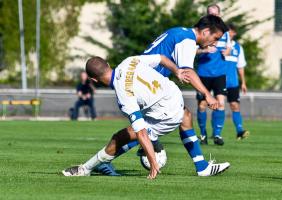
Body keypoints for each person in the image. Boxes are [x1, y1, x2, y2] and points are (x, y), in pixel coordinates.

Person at [92, 14, 229, 175]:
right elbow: (188, 72)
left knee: (183, 116)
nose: (215, 42)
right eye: (216, 37)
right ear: (206, 31)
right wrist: (208, 94)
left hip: (145, 84)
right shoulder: (187, 40)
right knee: (140, 131)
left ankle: (201, 167)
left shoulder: (179, 32)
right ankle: (103, 161)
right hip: (146, 87)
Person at [62, 55, 230, 179]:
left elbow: (141, 132)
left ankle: (86, 168)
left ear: (93, 79)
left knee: (122, 137)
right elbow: (162, 58)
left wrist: (153, 163)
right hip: (174, 95)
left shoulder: (123, 94)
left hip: (167, 114)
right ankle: (201, 167)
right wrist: (176, 71)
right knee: (185, 116)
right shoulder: (129, 61)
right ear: (107, 63)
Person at [196, 4, 231, 146]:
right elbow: (193, 51)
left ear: (220, 15)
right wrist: (204, 51)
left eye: (215, 14)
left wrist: (227, 52)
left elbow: (228, 48)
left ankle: (217, 134)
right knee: (202, 105)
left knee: (221, 103)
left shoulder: (225, 33)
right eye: (210, 14)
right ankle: (203, 134)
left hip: (219, 73)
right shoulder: (201, 31)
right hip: (203, 73)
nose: (213, 16)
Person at [225, 23, 250, 140]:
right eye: (227, 31)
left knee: (235, 105)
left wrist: (243, 82)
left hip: (232, 82)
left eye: (230, 31)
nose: (228, 33)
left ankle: (240, 130)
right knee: (213, 105)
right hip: (217, 80)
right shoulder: (219, 45)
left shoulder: (238, 48)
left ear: (234, 33)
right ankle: (215, 133)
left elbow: (240, 67)